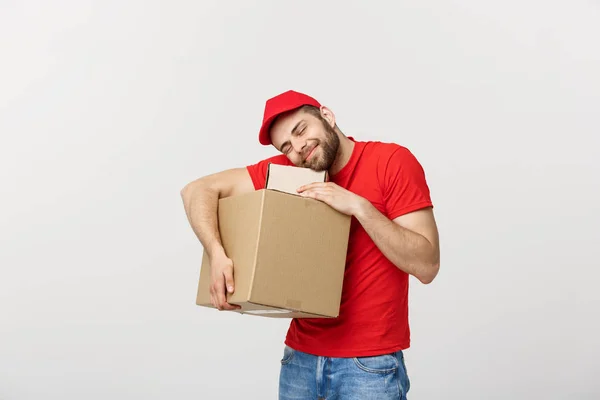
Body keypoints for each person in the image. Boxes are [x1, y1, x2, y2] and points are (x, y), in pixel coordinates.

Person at [180, 90, 440, 399]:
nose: (299, 148)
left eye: (301, 130)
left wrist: (360, 208)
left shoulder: (391, 161)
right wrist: (217, 254)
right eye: (286, 146)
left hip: (369, 365)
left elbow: (427, 265)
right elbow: (197, 190)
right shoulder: (288, 172)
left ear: (327, 116)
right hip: (299, 361)